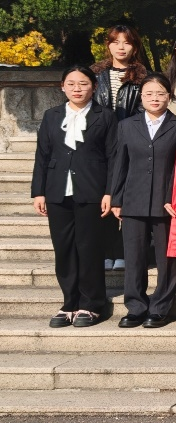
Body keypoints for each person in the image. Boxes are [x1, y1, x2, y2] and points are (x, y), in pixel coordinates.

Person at [32, 66, 116, 328]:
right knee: (64, 248)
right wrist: (39, 191)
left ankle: (92, 304)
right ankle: (69, 302)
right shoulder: (52, 115)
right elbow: (42, 155)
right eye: (71, 84)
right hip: (58, 190)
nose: (77, 89)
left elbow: (113, 157)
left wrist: (110, 191)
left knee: (89, 248)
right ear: (63, 87)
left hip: (92, 190)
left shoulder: (106, 116)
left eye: (83, 83)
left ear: (94, 86)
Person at [110, 74, 176, 329]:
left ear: (169, 97)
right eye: (149, 93)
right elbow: (120, 163)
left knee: (166, 258)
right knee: (134, 257)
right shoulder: (127, 125)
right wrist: (117, 197)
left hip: (167, 202)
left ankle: (161, 307)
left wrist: (174, 197)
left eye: (160, 93)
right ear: (141, 97)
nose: (155, 98)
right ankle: (136, 307)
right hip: (133, 199)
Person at [92, 24, 148, 123]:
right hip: (99, 128)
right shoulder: (94, 74)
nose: (121, 47)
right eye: (116, 42)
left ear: (135, 48)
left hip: (130, 129)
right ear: (108, 45)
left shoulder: (143, 77)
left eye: (127, 43)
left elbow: (144, 108)